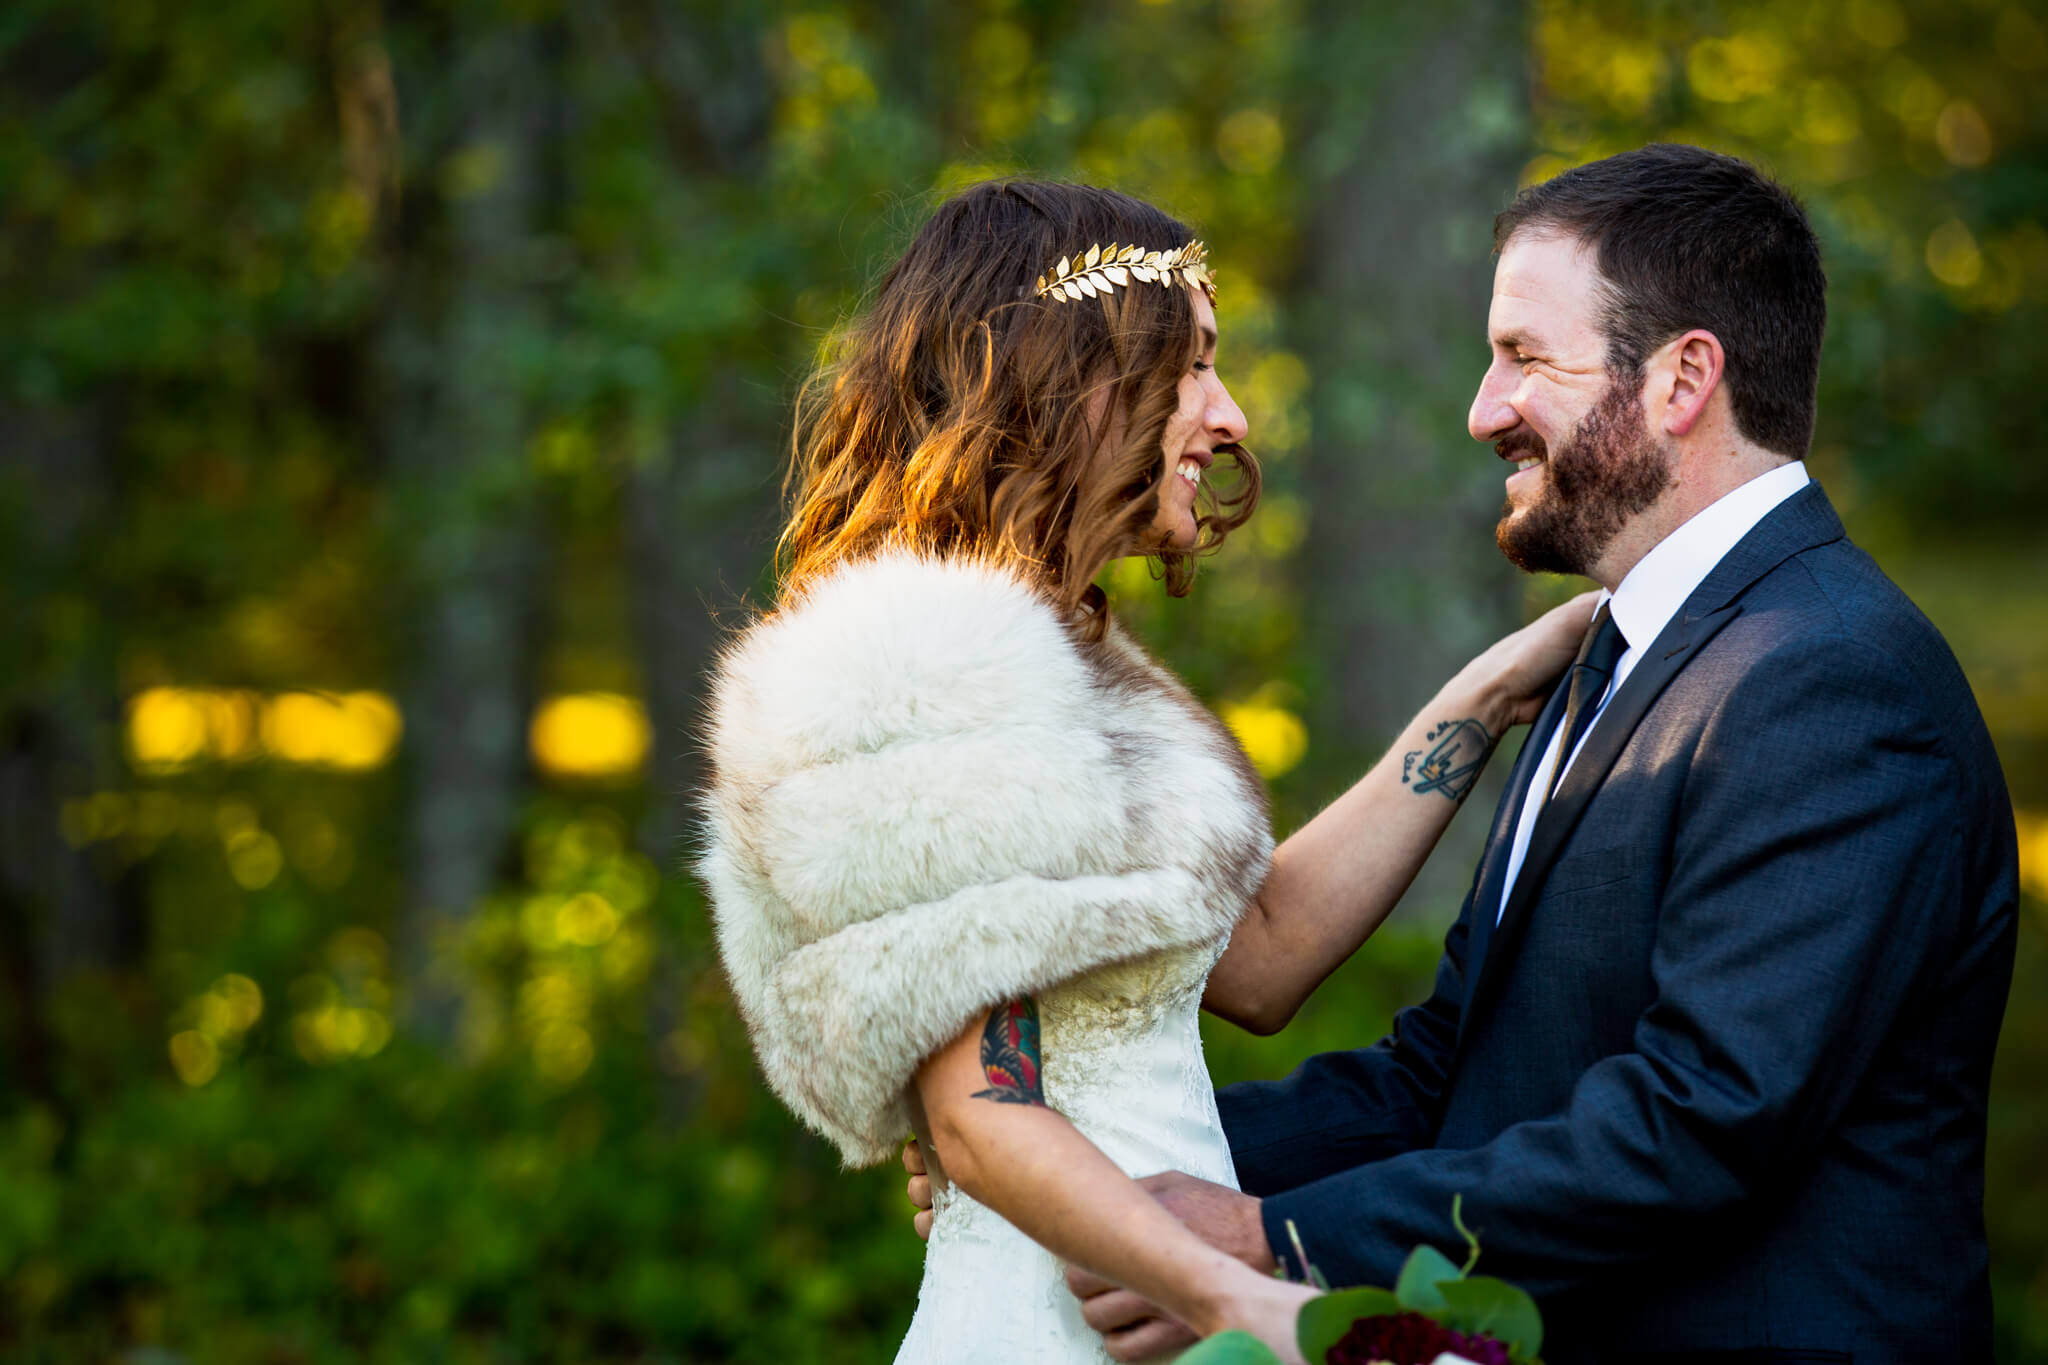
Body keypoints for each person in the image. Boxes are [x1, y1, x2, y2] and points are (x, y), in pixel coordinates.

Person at [991, 144, 2016, 1364]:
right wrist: (1090, 1162)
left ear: (1682, 377)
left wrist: (1272, 1239)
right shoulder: (1613, 656)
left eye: (1524, 358)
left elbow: (1701, 1122)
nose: (1482, 409)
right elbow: (1451, 1075)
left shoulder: (1826, 679)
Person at [697, 178, 1597, 1363]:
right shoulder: (920, 662)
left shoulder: (1063, 657)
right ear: (1079, 381)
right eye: (1195, 368)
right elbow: (981, 1119)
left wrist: (1486, 696)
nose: (1228, 419)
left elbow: (1261, 954)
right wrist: (1247, 1298)